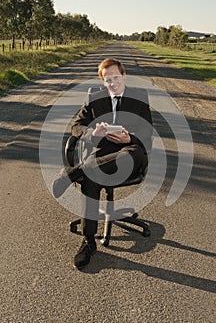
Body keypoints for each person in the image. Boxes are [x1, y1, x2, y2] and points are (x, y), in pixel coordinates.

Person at [53, 58, 153, 269]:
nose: (113, 83)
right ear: (102, 80)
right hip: (102, 154)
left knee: (129, 153)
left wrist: (130, 139)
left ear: (124, 76)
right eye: (108, 80)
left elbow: (147, 133)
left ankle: (74, 172)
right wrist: (92, 133)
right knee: (92, 173)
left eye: (116, 78)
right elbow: (76, 126)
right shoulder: (94, 98)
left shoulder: (140, 98)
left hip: (130, 153)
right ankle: (89, 241)